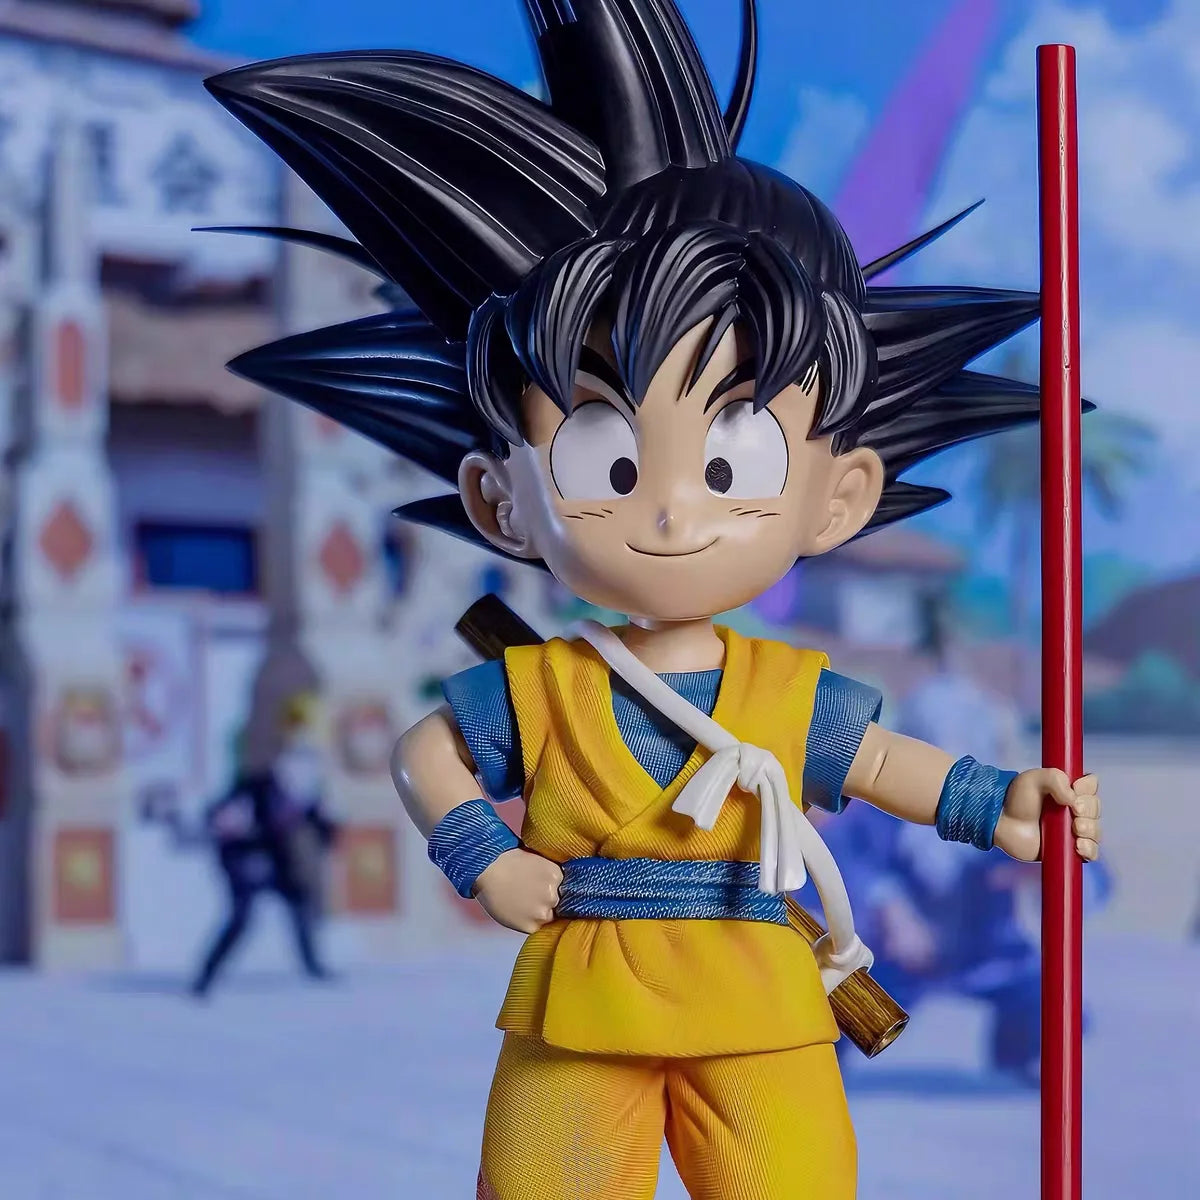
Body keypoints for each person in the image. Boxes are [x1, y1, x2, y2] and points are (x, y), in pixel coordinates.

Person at [203, 3, 1103, 1195]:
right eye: (606, 458)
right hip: (582, 1006)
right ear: (500, 500)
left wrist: (998, 803)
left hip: (757, 1003)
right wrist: (482, 855)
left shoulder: (783, 690)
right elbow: (429, 754)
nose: (673, 512)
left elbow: (884, 763)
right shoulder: (543, 688)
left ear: (837, 496)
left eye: (733, 460)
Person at [191, 693, 337, 997]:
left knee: (297, 900)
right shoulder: (254, 784)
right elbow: (222, 815)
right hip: (241, 855)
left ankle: (312, 966)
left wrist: (325, 830)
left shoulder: (298, 786)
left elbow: (311, 817)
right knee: (242, 918)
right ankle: (205, 978)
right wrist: (228, 827)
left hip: (270, 853)